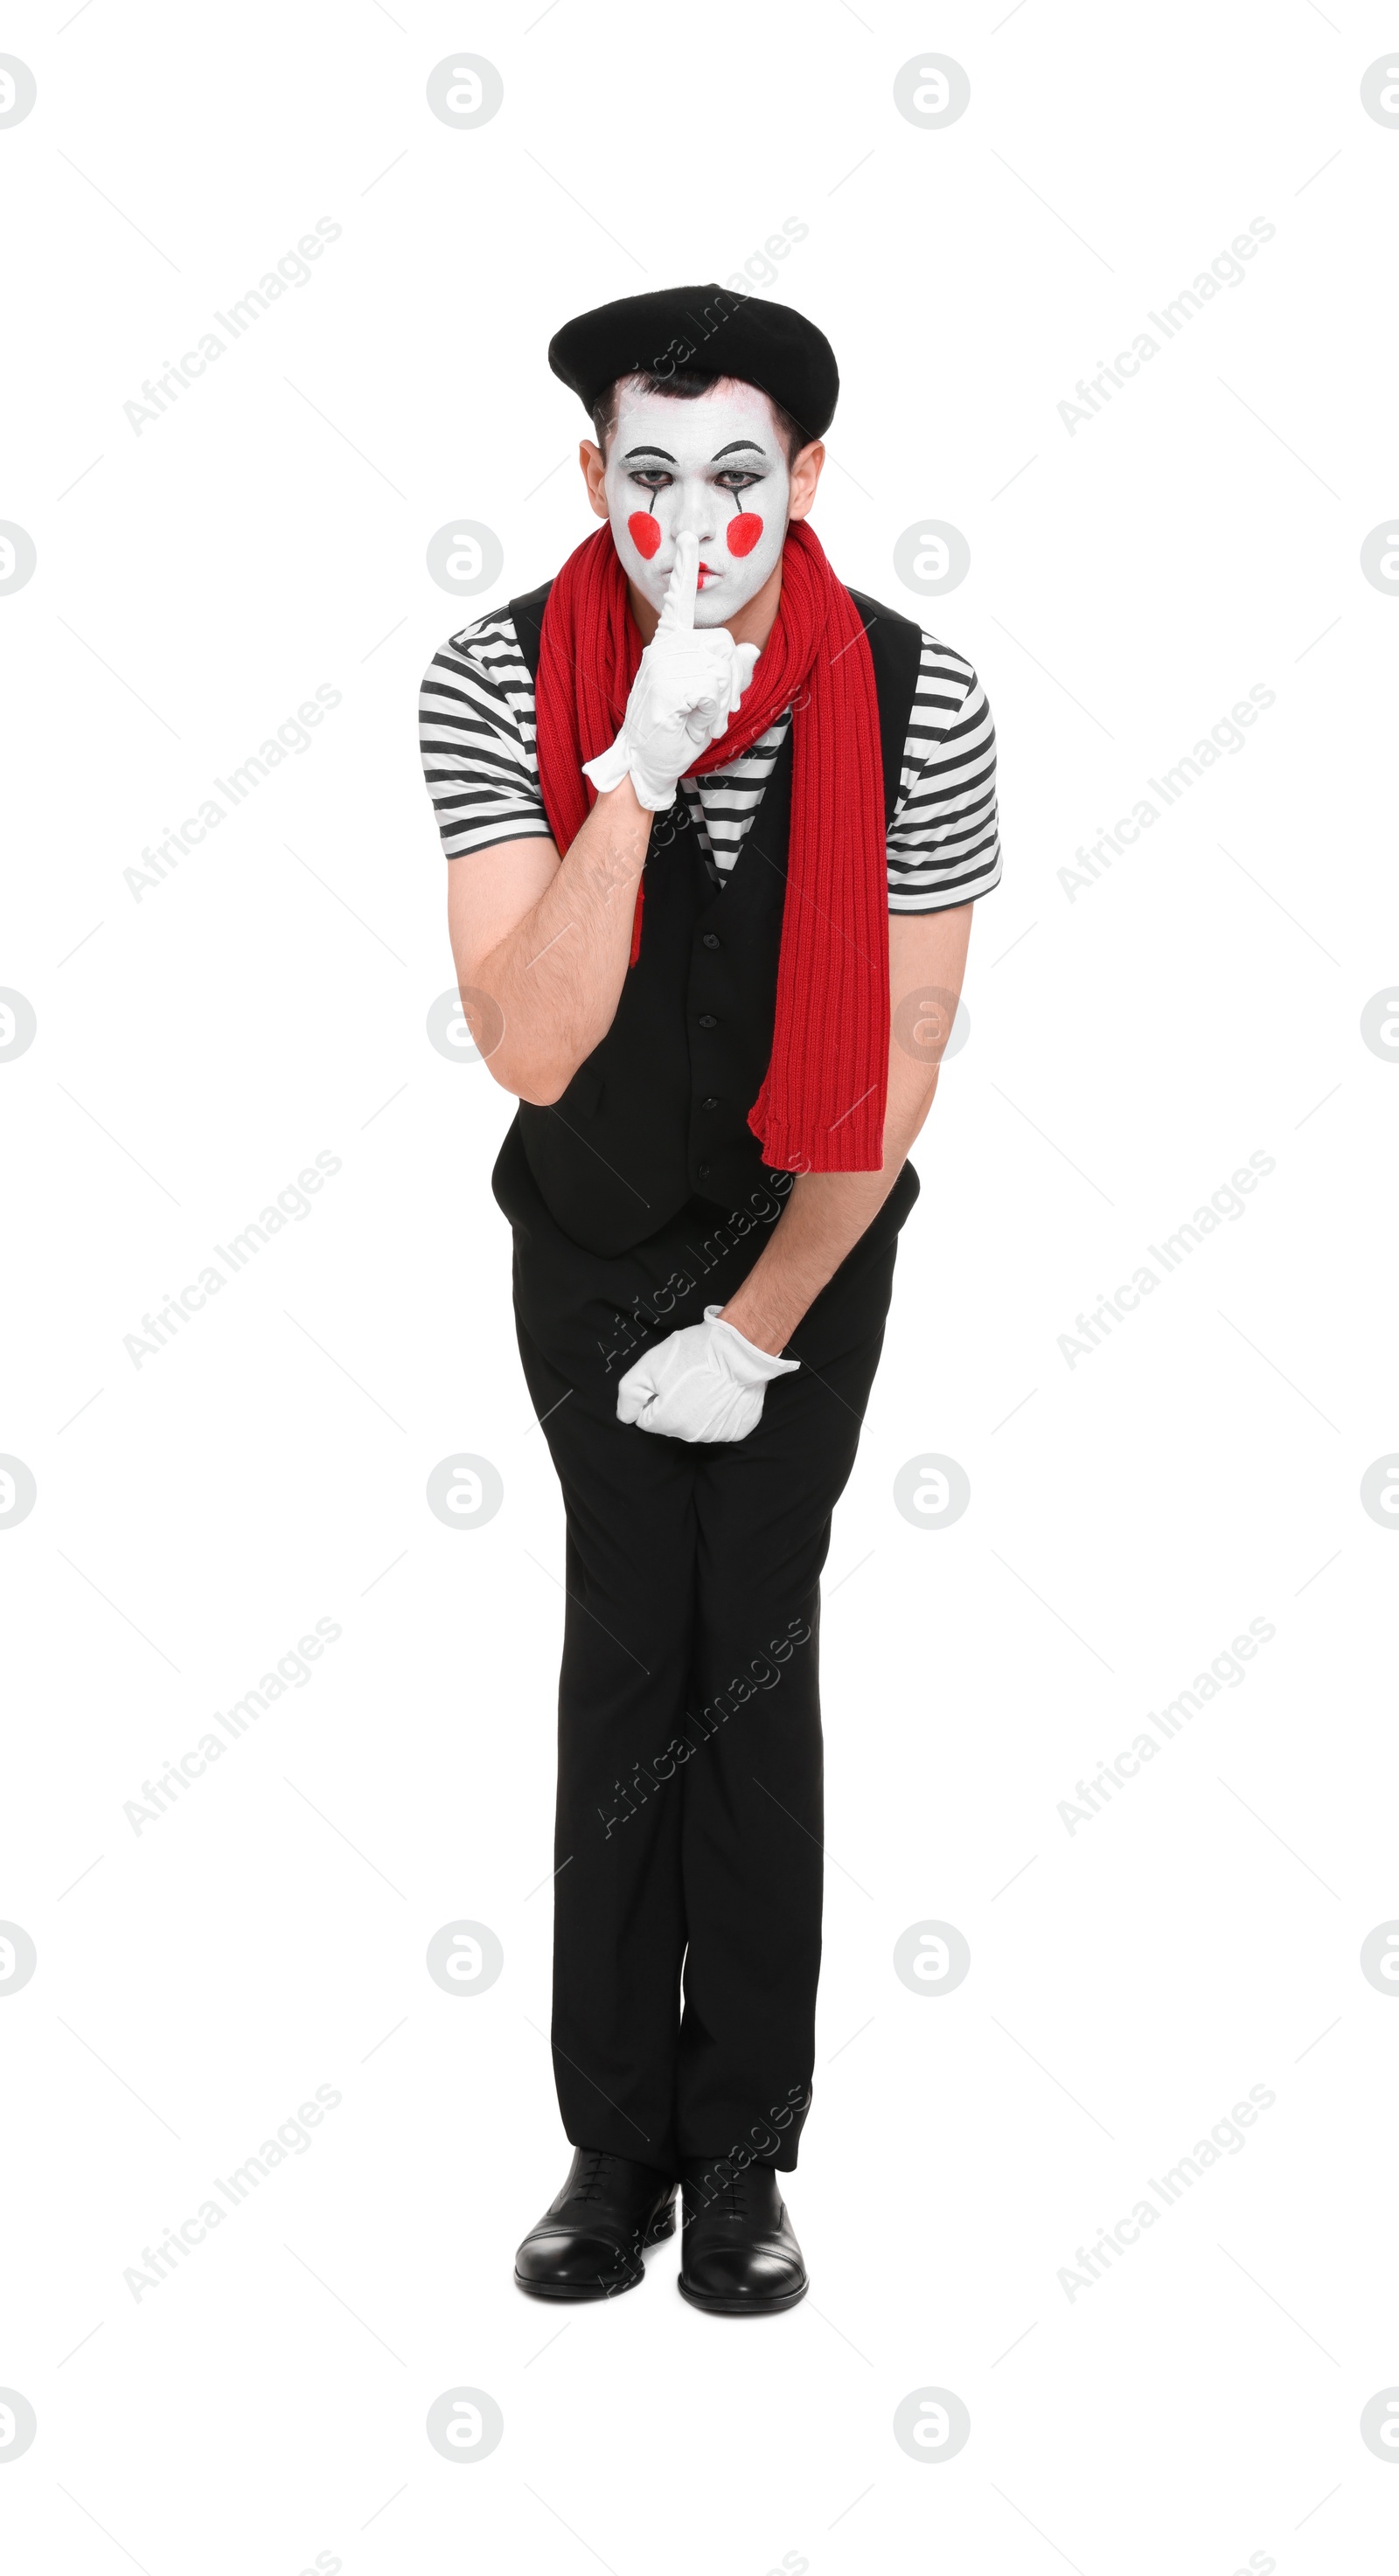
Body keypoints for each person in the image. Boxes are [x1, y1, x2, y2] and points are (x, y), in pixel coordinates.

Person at [418, 285, 1000, 2315]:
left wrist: (755, 1327)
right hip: (584, 1230)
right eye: (645, 476)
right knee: (617, 1654)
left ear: (805, 481)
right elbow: (534, 1041)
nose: (691, 518)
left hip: (805, 1243)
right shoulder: (490, 682)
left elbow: (903, 1054)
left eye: (735, 477)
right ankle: (609, 2146)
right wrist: (633, 776)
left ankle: (741, 2151)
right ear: (593, 477)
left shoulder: (923, 701)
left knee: (745, 1654)